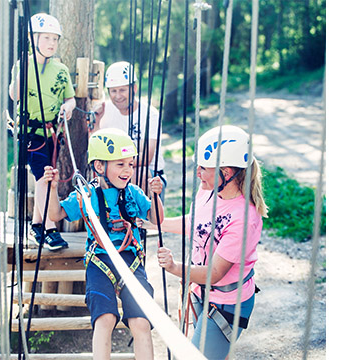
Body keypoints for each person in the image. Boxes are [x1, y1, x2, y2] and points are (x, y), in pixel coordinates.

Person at [37, 128, 163, 360]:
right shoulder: (86, 194)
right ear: (99, 166)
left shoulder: (133, 193)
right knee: (105, 320)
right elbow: (55, 214)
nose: (128, 171)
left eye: (131, 165)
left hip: (130, 261)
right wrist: (52, 188)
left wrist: (155, 196)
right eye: (120, 165)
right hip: (100, 261)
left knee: (141, 322)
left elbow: (157, 220)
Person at [152, 125, 267, 360]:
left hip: (226, 304)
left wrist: (175, 268)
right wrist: (156, 223)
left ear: (225, 173)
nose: (198, 173)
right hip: (200, 292)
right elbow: (196, 223)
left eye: (203, 168)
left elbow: (215, 273)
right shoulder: (207, 192)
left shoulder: (245, 218)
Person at [9, 12, 76, 251]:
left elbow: (70, 98)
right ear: (32, 39)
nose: (51, 43)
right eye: (45, 38)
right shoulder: (23, 65)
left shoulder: (61, 70)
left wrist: (68, 107)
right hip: (30, 133)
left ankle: (37, 224)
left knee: (46, 177)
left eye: (54, 39)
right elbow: (14, 95)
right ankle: (49, 229)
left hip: (51, 134)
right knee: (43, 177)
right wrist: (24, 72)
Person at [93, 61, 167, 188]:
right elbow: (95, 148)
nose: (117, 96)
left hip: (149, 174)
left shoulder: (150, 114)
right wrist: (97, 122)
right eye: (113, 91)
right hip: (113, 172)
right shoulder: (104, 110)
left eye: (122, 90)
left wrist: (115, 164)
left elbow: (146, 157)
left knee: (137, 173)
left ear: (134, 88)